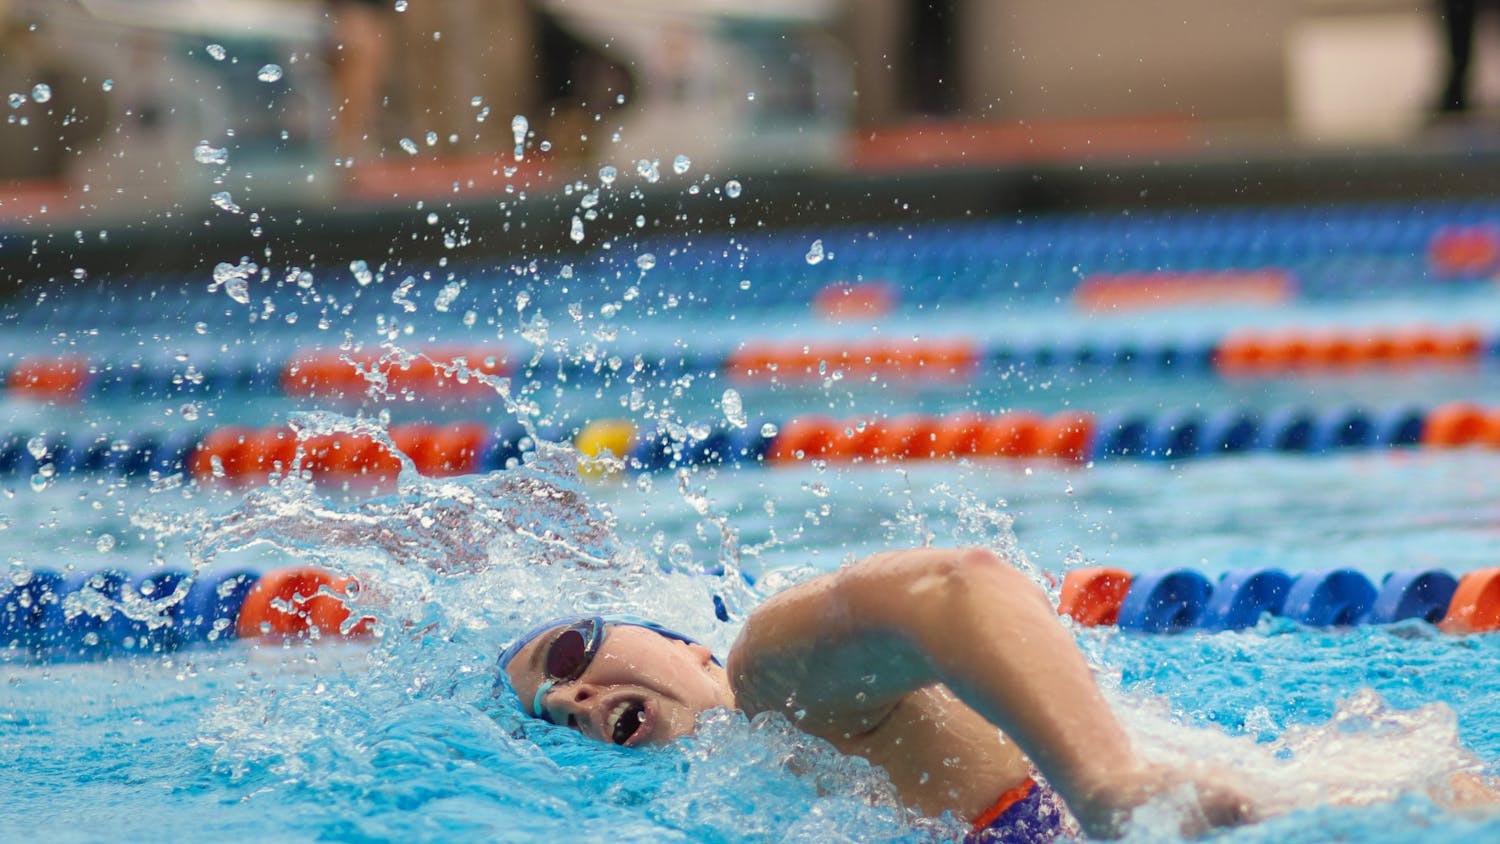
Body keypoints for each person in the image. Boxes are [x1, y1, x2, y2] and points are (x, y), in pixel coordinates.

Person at [497, 547, 1258, 841]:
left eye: (566, 654)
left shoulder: (773, 679)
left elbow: (957, 584)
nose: (567, 699)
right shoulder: (756, 794)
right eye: (549, 718)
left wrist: (1106, 787)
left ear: (689, 647)